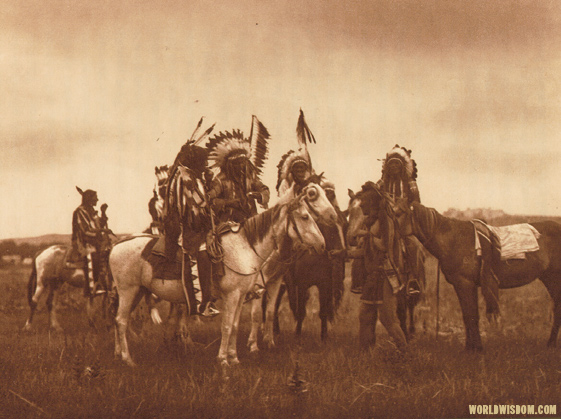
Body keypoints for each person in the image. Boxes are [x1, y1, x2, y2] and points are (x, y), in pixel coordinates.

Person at [206, 125, 271, 301]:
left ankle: (256, 283)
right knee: (216, 247)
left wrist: (259, 195)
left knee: (263, 249)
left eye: (244, 164)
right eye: (238, 165)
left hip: (250, 222)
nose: (242, 168)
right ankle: (218, 281)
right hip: (226, 224)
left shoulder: (250, 178)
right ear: (230, 165)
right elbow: (209, 200)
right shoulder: (220, 181)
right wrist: (228, 203)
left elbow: (264, 189)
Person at [164, 140, 220, 317]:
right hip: (185, 228)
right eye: (203, 162)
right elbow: (199, 202)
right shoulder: (185, 178)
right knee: (201, 252)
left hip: (194, 225)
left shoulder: (191, 176)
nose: (205, 165)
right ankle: (201, 304)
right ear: (196, 162)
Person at [349, 182, 407, 350]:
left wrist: (367, 236)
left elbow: (384, 246)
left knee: (388, 319)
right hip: (372, 276)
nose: (361, 205)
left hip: (385, 275)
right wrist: (343, 253)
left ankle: (405, 354)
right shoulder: (369, 221)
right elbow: (364, 252)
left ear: (373, 202)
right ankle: (364, 356)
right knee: (364, 315)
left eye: (364, 201)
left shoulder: (385, 220)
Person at [72, 187, 104, 297]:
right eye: (95, 198)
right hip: (83, 241)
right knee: (93, 256)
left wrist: (103, 214)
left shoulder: (91, 211)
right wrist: (97, 234)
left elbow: (98, 225)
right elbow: (84, 230)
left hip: (94, 240)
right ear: (89, 199)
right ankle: (92, 287)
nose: (97, 200)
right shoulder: (80, 212)